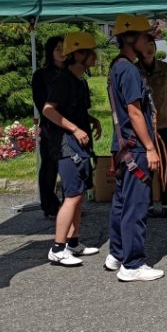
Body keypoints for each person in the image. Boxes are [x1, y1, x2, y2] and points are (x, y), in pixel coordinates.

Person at [104, 14, 165, 282]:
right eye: (145, 37)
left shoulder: (117, 66)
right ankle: (132, 264)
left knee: (121, 203)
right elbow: (135, 112)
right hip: (136, 148)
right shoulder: (128, 70)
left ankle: (117, 253)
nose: (149, 41)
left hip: (123, 146)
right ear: (132, 39)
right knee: (136, 207)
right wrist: (150, 148)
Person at [41, 31, 103, 266]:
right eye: (91, 53)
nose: (95, 57)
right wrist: (74, 129)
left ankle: (73, 242)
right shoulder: (63, 79)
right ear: (78, 55)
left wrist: (91, 120)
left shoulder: (79, 80)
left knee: (78, 195)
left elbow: (73, 109)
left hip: (79, 143)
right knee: (72, 195)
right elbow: (48, 109)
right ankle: (58, 248)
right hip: (66, 145)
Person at [136, 35, 167, 218]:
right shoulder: (133, 70)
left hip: (164, 123)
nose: (149, 48)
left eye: (152, 45)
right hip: (142, 125)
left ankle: (166, 203)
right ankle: (146, 204)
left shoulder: (166, 69)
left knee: (165, 164)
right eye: (145, 45)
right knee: (145, 165)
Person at [31, 35, 66, 218]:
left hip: (70, 127)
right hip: (50, 128)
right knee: (49, 169)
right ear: (50, 52)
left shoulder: (71, 72)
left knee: (69, 169)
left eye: (64, 48)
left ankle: (68, 205)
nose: (62, 53)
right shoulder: (41, 75)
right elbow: (41, 104)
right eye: (57, 49)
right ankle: (49, 205)